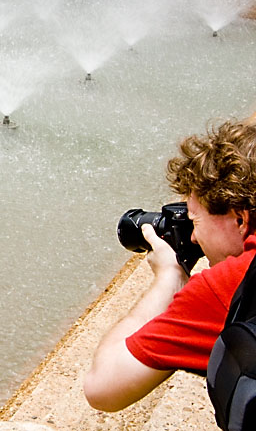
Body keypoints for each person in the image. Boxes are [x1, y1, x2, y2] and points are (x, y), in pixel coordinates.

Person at [83, 119, 256, 412]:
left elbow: (102, 387)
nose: (192, 236)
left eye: (194, 219)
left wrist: (169, 277)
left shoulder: (234, 286)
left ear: (240, 219)